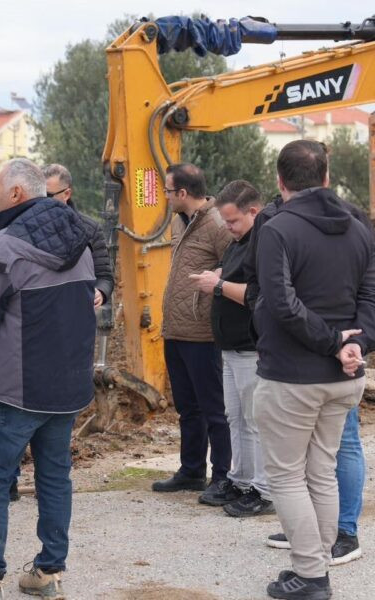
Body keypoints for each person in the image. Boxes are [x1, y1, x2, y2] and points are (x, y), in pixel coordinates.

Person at [0, 158, 95, 600]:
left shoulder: (2, 248)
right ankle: (48, 573)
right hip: (66, 389)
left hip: (14, 391)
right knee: (54, 477)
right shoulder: (81, 244)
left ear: (16, 196)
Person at [252, 139, 375, 599]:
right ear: (326, 177)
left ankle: (311, 574)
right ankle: (317, 563)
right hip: (346, 376)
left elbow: (281, 304)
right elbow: (371, 296)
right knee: (320, 471)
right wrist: (356, 343)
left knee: (286, 475)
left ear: (280, 180)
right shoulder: (360, 225)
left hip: (292, 376)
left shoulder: (278, 228)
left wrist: (330, 343)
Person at [152, 163, 234, 507]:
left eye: (168, 191)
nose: (166, 197)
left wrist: (214, 280)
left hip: (202, 334)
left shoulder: (216, 224)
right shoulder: (178, 221)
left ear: (182, 193)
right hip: (176, 330)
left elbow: (235, 264)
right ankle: (191, 470)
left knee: (214, 409)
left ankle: (222, 476)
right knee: (187, 408)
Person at [189, 180, 273, 517]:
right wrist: (222, 274)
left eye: (233, 220)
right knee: (235, 417)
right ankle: (239, 480)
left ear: (254, 211)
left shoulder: (264, 242)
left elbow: (258, 296)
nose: (228, 227)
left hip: (250, 346)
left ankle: (263, 490)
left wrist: (219, 285)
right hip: (230, 346)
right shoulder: (238, 242)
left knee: (256, 420)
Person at [42, 163, 114, 307]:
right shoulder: (28, 228)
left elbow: (105, 277)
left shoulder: (90, 229)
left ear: (67, 194)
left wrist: (101, 292)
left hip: (77, 315)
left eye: (48, 196)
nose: (42, 201)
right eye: (39, 195)